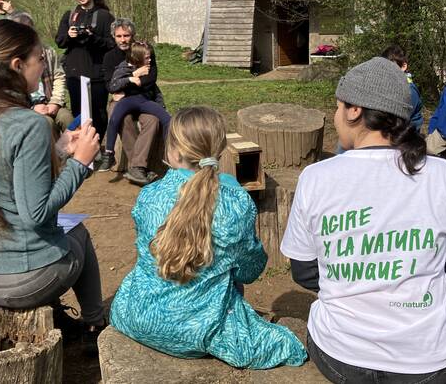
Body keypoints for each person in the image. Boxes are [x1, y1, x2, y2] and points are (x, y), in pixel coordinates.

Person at [281, 57, 446, 384]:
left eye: (337, 106)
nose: (335, 116)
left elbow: (304, 272)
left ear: (354, 111)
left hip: (342, 356)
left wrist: (357, 287)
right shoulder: (443, 174)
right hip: (429, 362)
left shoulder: (315, 177)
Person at [0, 19, 106, 340]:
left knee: (57, 234)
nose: (44, 66)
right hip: (22, 281)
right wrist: (81, 163)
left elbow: (6, 172)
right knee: (79, 235)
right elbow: (36, 213)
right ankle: (95, 324)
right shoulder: (28, 123)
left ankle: (60, 315)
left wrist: (61, 150)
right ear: (18, 65)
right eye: (40, 60)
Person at [110, 106, 307, 369]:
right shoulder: (235, 203)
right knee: (288, 345)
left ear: (173, 150)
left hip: (134, 315)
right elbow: (249, 271)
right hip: (200, 330)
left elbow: (146, 253)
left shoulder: (149, 195)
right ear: (220, 151)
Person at [101, 19, 162, 186]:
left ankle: (136, 167)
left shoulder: (144, 50)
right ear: (113, 37)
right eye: (118, 36)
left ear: (132, 36)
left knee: (153, 120)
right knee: (122, 118)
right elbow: (110, 86)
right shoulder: (109, 57)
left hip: (144, 98)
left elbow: (151, 78)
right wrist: (134, 76)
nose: (123, 40)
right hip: (121, 102)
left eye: (126, 35)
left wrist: (125, 88)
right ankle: (138, 167)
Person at [55, 0, 115, 140]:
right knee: (78, 112)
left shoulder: (104, 16)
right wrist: (69, 35)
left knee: (98, 112)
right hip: (75, 72)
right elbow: (59, 41)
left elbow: (112, 44)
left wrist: (92, 37)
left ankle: (98, 145)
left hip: (97, 72)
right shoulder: (70, 15)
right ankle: (81, 146)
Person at [97, 42, 170, 173]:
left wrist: (127, 88)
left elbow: (148, 83)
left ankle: (169, 153)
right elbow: (113, 86)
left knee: (167, 119)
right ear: (137, 57)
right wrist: (132, 77)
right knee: (115, 119)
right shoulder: (124, 67)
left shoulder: (150, 67)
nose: (150, 60)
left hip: (144, 101)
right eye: (147, 57)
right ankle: (109, 154)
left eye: (150, 57)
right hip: (128, 102)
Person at [9, 12, 74, 137]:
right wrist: (32, 109)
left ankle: (77, 153)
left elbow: (59, 77)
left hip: (50, 101)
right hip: (27, 108)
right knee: (47, 123)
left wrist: (55, 102)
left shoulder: (48, 52)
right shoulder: (11, 59)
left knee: (67, 119)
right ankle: (54, 154)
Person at [380, 44, 424, 132]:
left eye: (391, 67)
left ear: (404, 66)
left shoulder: (410, 90)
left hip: (407, 136)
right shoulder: (389, 84)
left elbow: (401, 117)